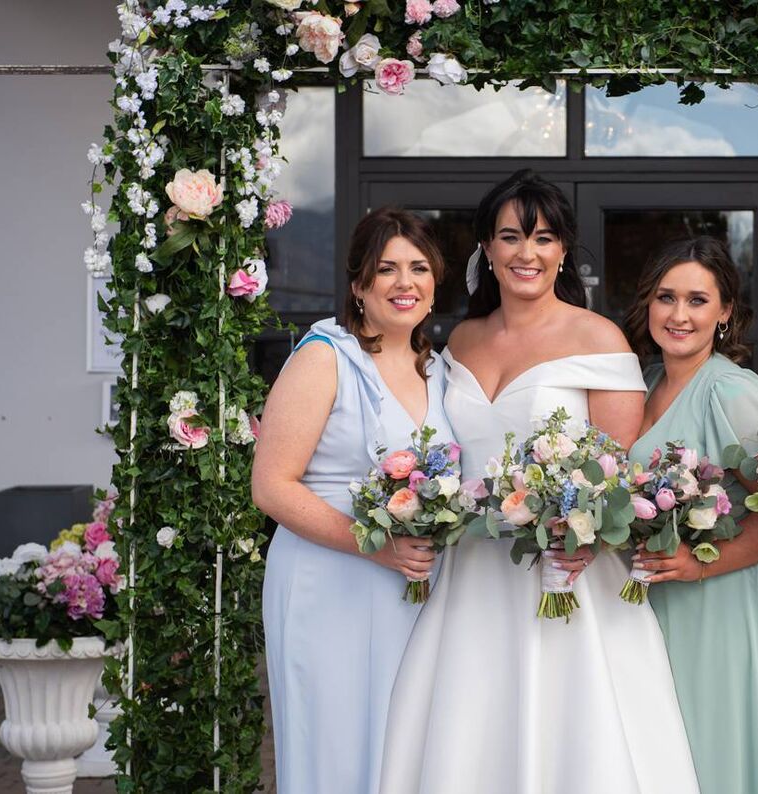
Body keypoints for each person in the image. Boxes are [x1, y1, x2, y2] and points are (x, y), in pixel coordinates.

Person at [379, 170, 698, 794]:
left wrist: (584, 537)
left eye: (544, 237)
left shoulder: (597, 338)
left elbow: (618, 474)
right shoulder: (459, 339)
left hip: (565, 570)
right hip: (472, 571)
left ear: (563, 251)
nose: (527, 252)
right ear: (486, 249)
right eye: (510, 237)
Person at [253, 208, 452, 793]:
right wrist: (376, 547)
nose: (404, 282)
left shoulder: (437, 369)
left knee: (399, 748)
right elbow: (271, 486)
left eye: (418, 268)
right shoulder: (325, 356)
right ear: (359, 285)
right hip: (328, 582)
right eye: (386, 269)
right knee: (335, 746)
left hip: (409, 590)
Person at [625, 237, 758, 793]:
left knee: (720, 763)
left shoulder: (729, 390)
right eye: (666, 297)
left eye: (697, 300)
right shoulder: (646, 382)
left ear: (725, 311)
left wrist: (700, 564)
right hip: (674, 601)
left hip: (734, 599)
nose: (678, 315)